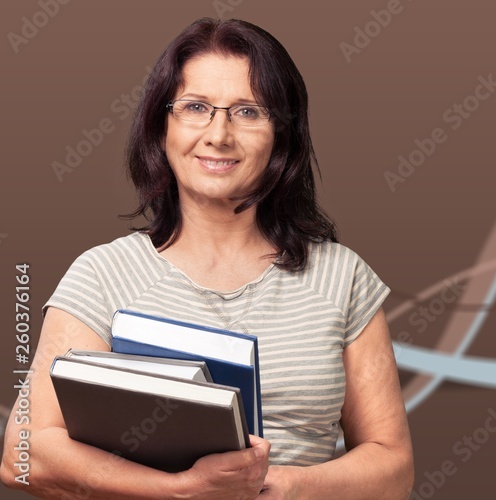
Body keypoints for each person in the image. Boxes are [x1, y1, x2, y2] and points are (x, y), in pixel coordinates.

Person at [1, 17, 413, 499]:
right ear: (161, 127)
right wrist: (178, 491)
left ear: (283, 135)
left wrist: (283, 486)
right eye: (196, 107)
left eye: (247, 112)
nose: (219, 134)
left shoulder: (343, 278)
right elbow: (22, 456)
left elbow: (394, 468)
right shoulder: (102, 275)